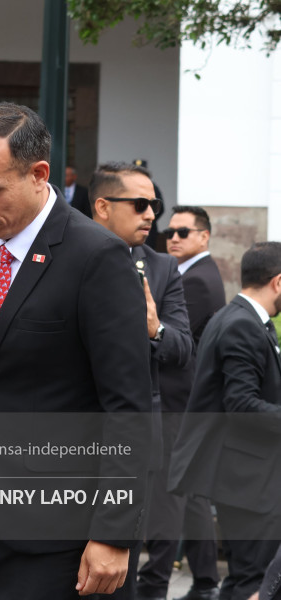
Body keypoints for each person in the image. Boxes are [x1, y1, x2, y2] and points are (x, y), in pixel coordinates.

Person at [0, 102, 153, 599]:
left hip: (55, 537)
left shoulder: (96, 258)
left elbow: (127, 409)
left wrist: (112, 534)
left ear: (39, 175)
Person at [89, 163, 194, 599]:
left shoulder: (163, 268)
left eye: (153, 205)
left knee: (118, 572)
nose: (151, 214)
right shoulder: (68, 255)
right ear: (102, 207)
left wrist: (155, 329)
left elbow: (184, 348)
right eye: (139, 204)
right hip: (64, 438)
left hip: (131, 446)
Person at [170, 241, 281, 600]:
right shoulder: (242, 325)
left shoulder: (242, 319)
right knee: (253, 579)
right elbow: (242, 405)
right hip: (248, 484)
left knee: (248, 578)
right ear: (278, 282)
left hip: (248, 481)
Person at [139, 206, 226, 600]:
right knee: (188, 495)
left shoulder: (195, 282)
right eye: (170, 231)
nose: (173, 237)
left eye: (184, 232)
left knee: (169, 493)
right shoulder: (196, 274)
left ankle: (155, 579)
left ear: (204, 237)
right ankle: (206, 580)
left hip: (175, 402)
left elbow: (173, 344)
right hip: (184, 402)